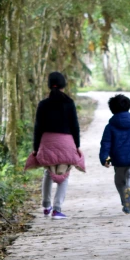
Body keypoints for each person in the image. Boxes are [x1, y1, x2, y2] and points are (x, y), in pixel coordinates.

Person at [25, 71, 85, 219]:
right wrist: (77, 145)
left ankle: (46, 205)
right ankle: (57, 209)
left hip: (47, 142)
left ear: (49, 85)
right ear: (64, 85)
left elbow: (38, 127)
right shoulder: (69, 103)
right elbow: (75, 126)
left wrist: (36, 147)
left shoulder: (43, 104)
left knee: (48, 172)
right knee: (64, 176)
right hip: (66, 142)